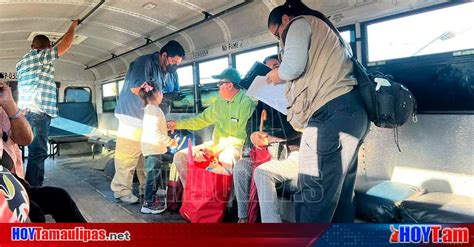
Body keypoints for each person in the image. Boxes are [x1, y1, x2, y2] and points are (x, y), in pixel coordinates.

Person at [266, 0, 369, 223]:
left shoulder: (298, 23)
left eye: (277, 33)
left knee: (313, 194)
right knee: (341, 197)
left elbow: (293, 67)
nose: (279, 39)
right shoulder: (328, 31)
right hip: (353, 114)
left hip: (330, 115)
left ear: (285, 19)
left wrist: (276, 75)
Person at [0, 78, 85, 222]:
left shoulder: (3, 110)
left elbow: (25, 140)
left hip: (11, 182)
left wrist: (10, 106)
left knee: (59, 197)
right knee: (33, 213)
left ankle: (86, 239)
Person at [112, 40, 185, 204]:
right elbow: (136, 88)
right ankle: (121, 190)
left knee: (147, 154)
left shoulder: (167, 71)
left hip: (148, 119)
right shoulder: (144, 63)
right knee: (128, 156)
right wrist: (160, 97)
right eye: (173, 62)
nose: (175, 66)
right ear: (164, 55)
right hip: (131, 116)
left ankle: (147, 188)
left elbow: (163, 95)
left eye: (178, 64)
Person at [233, 56, 301, 223]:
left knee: (262, 173)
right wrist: (253, 135)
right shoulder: (264, 103)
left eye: (276, 67)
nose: (271, 72)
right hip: (268, 155)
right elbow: (251, 123)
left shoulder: (295, 96)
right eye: (267, 70)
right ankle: (244, 219)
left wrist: (270, 137)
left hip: (293, 156)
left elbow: (298, 128)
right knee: (241, 167)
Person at [167, 68, 257, 187]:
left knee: (226, 157)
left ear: (229, 85)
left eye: (220, 83)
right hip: (215, 144)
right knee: (180, 157)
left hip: (235, 147)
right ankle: (194, 193)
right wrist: (176, 124)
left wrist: (217, 149)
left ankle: (225, 202)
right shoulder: (219, 102)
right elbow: (201, 120)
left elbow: (241, 137)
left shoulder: (246, 103)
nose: (217, 86)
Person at [16, 20, 79, 187]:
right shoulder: (40, 56)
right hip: (38, 113)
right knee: (38, 154)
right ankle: (34, 195)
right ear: (47, 47)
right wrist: (73, 27)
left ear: (32, 45)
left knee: (32, 152)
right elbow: (64, 46)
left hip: (26, 113)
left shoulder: (22, 63)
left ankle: (26, 188)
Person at [138, 82, 177, 214]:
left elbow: (156, 127)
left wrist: (166, 126)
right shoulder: (152, 110)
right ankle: (148, 204)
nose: (162, 95)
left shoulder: (153, 109)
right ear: (155, 94)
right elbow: (154, 132)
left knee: (154, 175)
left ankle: (152, 199)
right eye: (160, 92)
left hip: (154, 148)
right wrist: (169, 141)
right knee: (152, 176)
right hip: (153, 147)